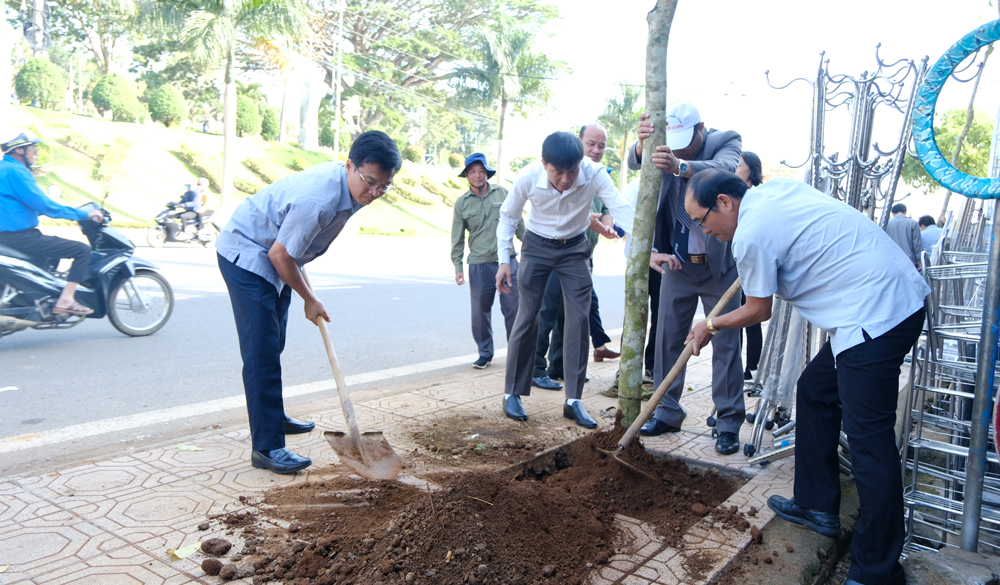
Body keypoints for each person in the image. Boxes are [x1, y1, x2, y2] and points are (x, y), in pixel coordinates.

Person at [682, 170, 929, 585]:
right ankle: (817, 505)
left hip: (876, 315)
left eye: (703, 220)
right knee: (814, 391)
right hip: (881, 303)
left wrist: (711, 324)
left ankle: (877, 570)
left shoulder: (751, 234)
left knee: (870, 446)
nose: (705, 231)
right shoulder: (775, 193)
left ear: (725, 202)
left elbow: (760, 310)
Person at [216, 130, 402, 474]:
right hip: (248, 253)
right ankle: (268, 447)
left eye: (383, 187)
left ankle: (271, 414)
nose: (374, 193)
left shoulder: (351, 189)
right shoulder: (319, 200)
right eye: (370, 182)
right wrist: (309, 298)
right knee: (262, 352)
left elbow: (293, 249)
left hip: (277, 255)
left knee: (275, 341)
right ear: (350, 166)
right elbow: (280, 254)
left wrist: (300, 276)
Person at [626, 100, 745, 456]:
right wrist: (640, 144)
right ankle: (666, 411)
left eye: (684, 141)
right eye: (670, 141)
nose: (676, 148)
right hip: (678, 263)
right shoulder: (664, 144)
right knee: (667, 339)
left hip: (719, 266)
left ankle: (728, 423)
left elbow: (724, 171)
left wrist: (681, 167)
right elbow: (635, 161)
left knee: (725, 344)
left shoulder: (725, 141)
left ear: (701, 129)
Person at [497, 131, 632, 428]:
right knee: (527, 317)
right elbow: (508, 217)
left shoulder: (593, 172)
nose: (566, 179)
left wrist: (647, 246)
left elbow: (620, 207)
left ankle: (573, 400)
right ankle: (512, 393)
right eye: (558, 171)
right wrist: (504, 261)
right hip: (537, 246)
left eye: (573, 170)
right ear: (545, 163)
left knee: (579, 318)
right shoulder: (528, 176)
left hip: (574, 249)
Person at [533, 123, 622, 390]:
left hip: (583, 255)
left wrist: (608, 227)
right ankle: (534, 368)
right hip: (554, 252)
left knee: (572, 314)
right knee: (546, 311)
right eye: (591, 144)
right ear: (577, 144)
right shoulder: (563, 175)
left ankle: (560, 366)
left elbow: (608, 210)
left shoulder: (599, 176)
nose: (596, 150)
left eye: (602, 146)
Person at [0, 128, 103, 316]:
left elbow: (16, 208)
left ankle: (42, 299)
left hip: (7, 237)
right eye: (33, 148)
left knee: (52, 255)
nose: (36, 153)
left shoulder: (4, 169)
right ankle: (66, 300)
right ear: (19, 150)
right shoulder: (16, 172)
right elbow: (47, 206)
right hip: (19, 238)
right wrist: (84, 215)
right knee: (81, 250)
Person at [451, 153, 524, 369]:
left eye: (481, 171)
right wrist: (458, 266)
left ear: (487, 173)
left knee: (513, 309)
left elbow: (518, 222)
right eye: (472, 171)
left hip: (507, 261)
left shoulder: (502, 193)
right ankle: (485, 353)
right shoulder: (461, 204)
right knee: (480, 312)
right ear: (466, 175)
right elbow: (456, 238)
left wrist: (532, 247)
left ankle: (516, 354)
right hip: (479, 264)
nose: (477, 175)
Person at [735, 152, 764, 381]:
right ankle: (737, 367)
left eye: (738, 165)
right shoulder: (733, 195)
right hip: (735, 266)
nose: (734, 168)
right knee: (737, 318)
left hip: (752, 263)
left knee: (752, 317)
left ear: (751, 170)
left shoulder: (755, 196)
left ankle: (751, 369)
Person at [885, 203, 922, 271]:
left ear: (893, 213)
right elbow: (917, 245)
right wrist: (919, 261)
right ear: (905, 212)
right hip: (909, 260)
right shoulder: (913, 223)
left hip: (892, 259)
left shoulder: (887, 224)